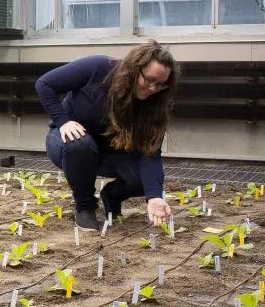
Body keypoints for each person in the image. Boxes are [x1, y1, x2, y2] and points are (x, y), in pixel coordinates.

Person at [34, 40, 177, 232]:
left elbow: (150, 155)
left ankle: (112, 195)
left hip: (111, 153)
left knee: (147, 179)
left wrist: (155, 197)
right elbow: (44, 84)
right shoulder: (99, 68)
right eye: (149, 80)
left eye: (160, 85)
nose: (153, 89)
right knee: (79, 143)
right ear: (134, 70)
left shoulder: (155, 108)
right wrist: (63, 121)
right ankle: (85, 207)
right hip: (68, 143)